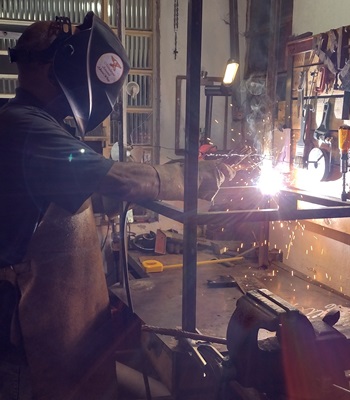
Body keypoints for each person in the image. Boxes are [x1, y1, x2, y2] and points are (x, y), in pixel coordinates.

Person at [0, 12, 234, 400]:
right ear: (59, 67)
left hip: (65, 342)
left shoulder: (38, 125)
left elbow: (61, 199)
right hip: (31, 352)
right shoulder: (24, 127)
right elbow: (123, 180)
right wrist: (198, 177)